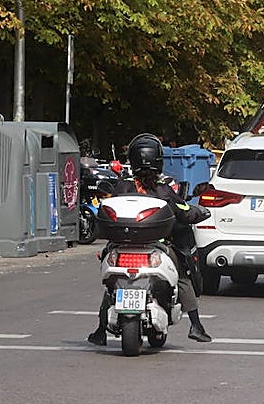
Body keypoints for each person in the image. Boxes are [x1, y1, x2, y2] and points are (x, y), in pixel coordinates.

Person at [87, 133, 212, 345]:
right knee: (182, 274)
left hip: (120, 246)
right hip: (157, 246)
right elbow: (184, 211)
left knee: (111, 283)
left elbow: (104, 210)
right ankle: (196, 325)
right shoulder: (163, 189)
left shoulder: (121, 187)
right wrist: (200, 212)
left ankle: (100, 330)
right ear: (158, 160)